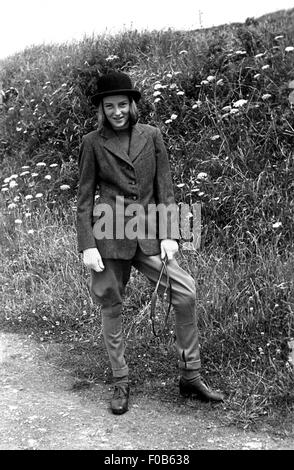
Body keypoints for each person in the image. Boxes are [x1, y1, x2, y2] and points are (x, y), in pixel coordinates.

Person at [77, 71, 224, 415]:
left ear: (132, 105)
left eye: (122, 104)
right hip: (109, 234)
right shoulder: (92, 142)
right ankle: (120, 379)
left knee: (185, 289)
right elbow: (85, 200)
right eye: (110, 105)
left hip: (149, 234)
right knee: (111, 304)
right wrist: (88, 245)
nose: (117, 111)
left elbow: (166, 189)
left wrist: (171, 233)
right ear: (101, 108)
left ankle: (190, 374)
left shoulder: (153, 136)